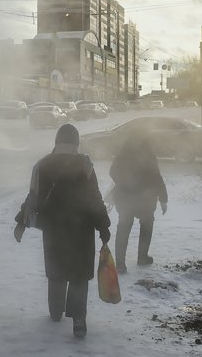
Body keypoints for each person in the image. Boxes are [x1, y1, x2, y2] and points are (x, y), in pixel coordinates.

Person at [14, 123, 111, 338]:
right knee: (78, 275)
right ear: (76, 142)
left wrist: (22, 221)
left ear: (57, 141)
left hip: (54, 229)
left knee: (56, 272)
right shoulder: (85, 165)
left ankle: (56, 311)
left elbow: (33, 197)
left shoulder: (43, 165)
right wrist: (103, 226)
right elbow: (94, 199)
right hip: (81, 230)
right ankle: (78, 321)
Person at [109, 132, 168, 275]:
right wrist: (163, 198)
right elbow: (157, 177)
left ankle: (120, 264)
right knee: (147, 225)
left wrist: (124, 183)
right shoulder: (148, 156)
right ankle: (142, 257)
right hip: (145, 199)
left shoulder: (122, 155)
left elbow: (112, 172)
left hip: (125, 198)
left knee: (123, 227)